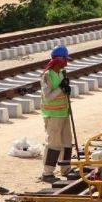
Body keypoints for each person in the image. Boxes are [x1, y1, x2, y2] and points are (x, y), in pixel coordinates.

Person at [40, 45, 73, 182]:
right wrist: (61, 88)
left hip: (64, 112)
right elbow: (48, 96)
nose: (67, 62)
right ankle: (47, 173)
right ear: (59, 59)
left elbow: (61, 92)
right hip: (53, 115)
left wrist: (66, 89)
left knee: (67, 141)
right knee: (54, 143)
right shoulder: (46, 76)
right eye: (65, 59)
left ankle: (65, 168)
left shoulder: (62, 72)